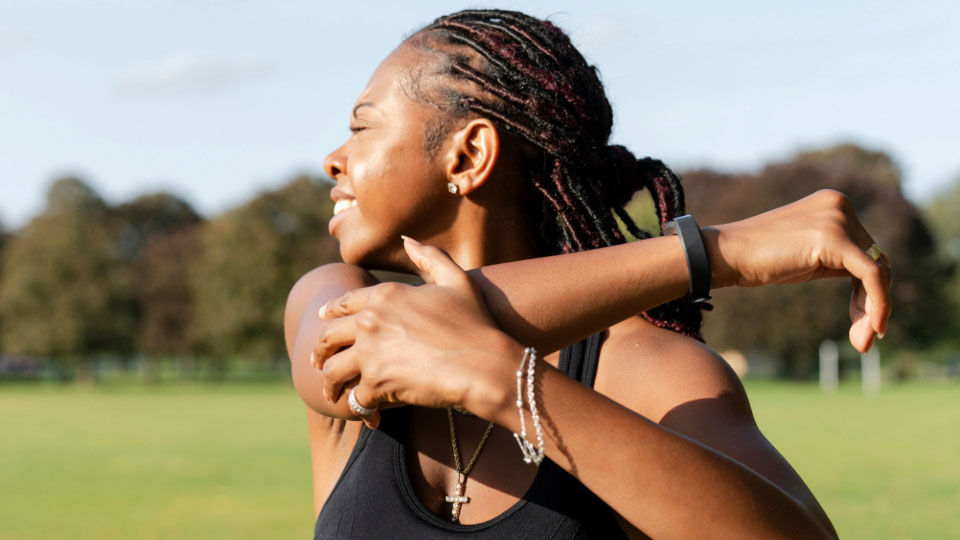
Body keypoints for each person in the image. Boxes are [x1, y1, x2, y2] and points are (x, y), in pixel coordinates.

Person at [284, 9, 891, 539]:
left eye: (362, 126)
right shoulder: (330, 297)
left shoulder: (645, 371)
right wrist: (712, 251)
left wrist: (506, 383)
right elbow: (376, 340)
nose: (334, 159)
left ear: (468, 155)